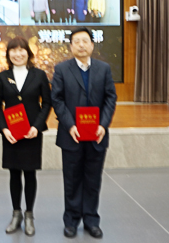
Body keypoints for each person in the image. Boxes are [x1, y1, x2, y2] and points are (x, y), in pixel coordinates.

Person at [51, 27, 117, 239]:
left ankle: (91, 220)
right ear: (71, 46)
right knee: (71, 180)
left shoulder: (103, 69)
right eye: (77, 41)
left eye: (85, 41)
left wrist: (103, 125)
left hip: (97, 134)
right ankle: (71, 221)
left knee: (93, 180)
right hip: (72, 134)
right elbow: (57, 100)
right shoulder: (62, 69)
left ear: (92, 45)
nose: (81, 45)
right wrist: (70, 125)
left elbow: (110, 98)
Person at [0, 37, 52, 236]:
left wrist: (37, 126)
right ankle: (16, 213)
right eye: (13, 50)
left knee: (30, 173)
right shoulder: (3, 76)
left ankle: (29, 215)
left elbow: (47, 103)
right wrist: (4, 129)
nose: (18, 54)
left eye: (21, 50)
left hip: (31, 133)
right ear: (8, 54)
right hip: (11, 134)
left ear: (28, 52)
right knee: (14, 173)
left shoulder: (39, 75)